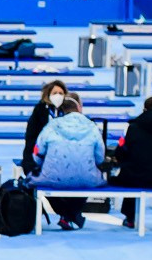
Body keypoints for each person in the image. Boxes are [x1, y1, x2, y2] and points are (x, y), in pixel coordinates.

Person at [29, 95, 107, 230]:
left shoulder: (51, 125)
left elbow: (38, 153)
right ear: (79, 107)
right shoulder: (92, 126)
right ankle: (71, 215)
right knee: (84, 176)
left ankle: (66, 214)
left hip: (53, 177)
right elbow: (100, 157)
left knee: (41, 180)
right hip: (87, 178)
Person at [108, 95, 152, 227]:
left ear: (144, 109)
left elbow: (124, 152)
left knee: (131, 169)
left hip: (135, 177)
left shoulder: (134, 127)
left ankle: (130, 217)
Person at [20, 78, 71, 173]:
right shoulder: (39, 110)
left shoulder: (67, 111)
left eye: (61, 93)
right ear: (48, 95)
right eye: (55, 93)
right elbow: (31, 137)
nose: (58, 96)